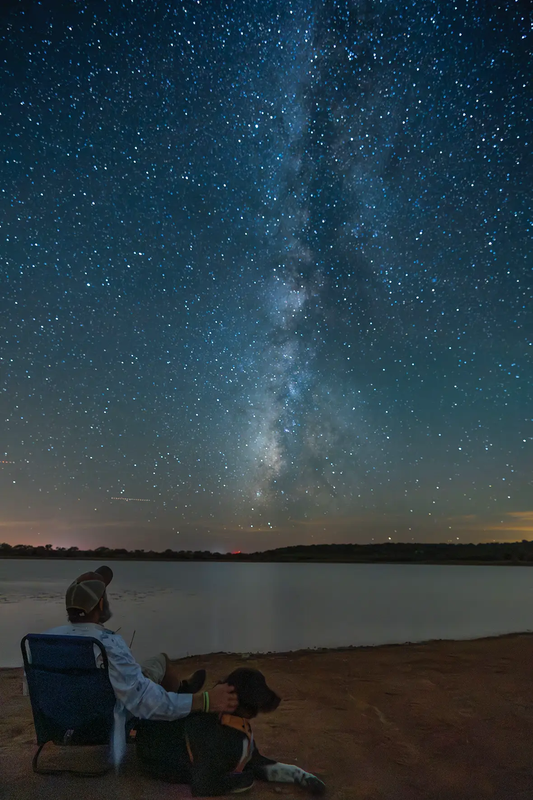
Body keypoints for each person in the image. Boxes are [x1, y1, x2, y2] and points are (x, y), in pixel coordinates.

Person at [43, 565, 238, 765]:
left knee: (152, 665)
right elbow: (144, 702)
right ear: (101, 604)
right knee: (160, 663)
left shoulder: (43, 641)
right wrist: (205, 700)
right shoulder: (108, 644)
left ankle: (181, 690)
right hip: (103, 722)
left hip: (62, 723)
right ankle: (182, 698)